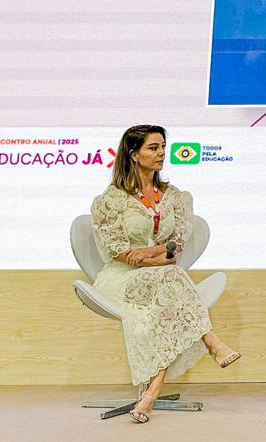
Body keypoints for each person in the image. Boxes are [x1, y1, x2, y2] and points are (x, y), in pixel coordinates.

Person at [90, 125, 241, 423]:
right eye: (153, 148)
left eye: (162, 147)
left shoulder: (175, 197)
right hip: (121, 279)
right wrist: (156, 256)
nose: (161, 154)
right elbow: (116, 251)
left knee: (168, 295)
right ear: (133, 155)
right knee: (173, 280)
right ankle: (211, 341)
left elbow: (175, 248)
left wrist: (151, 255)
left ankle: (152, 392)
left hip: (162, 277)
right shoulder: (111, 200)